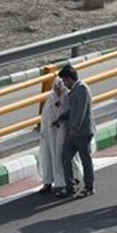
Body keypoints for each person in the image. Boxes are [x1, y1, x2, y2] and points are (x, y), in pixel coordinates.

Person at [56, 65, 94, 199]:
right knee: (65, 157)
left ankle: (89, 187)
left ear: (69, 79)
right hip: (73, 131)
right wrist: (63, 116)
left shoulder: (82, 89)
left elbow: (81, 111)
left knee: (85, 160)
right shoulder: (74, 90)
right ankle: (70, 186)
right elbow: (73, 109)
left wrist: (75, 128)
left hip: (81, 132)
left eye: (65, 81)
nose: (64, 84)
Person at [38, 79, 79, 194]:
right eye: (55, 87)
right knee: (48, 156)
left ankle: (69, 179)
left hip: (63, 132)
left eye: (59, 87)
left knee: (64, 156)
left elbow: (68, 113)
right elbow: (45, 116)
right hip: (50, 134)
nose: (57, 89)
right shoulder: (51, 98)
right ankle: (47, 182)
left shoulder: (67, 97)